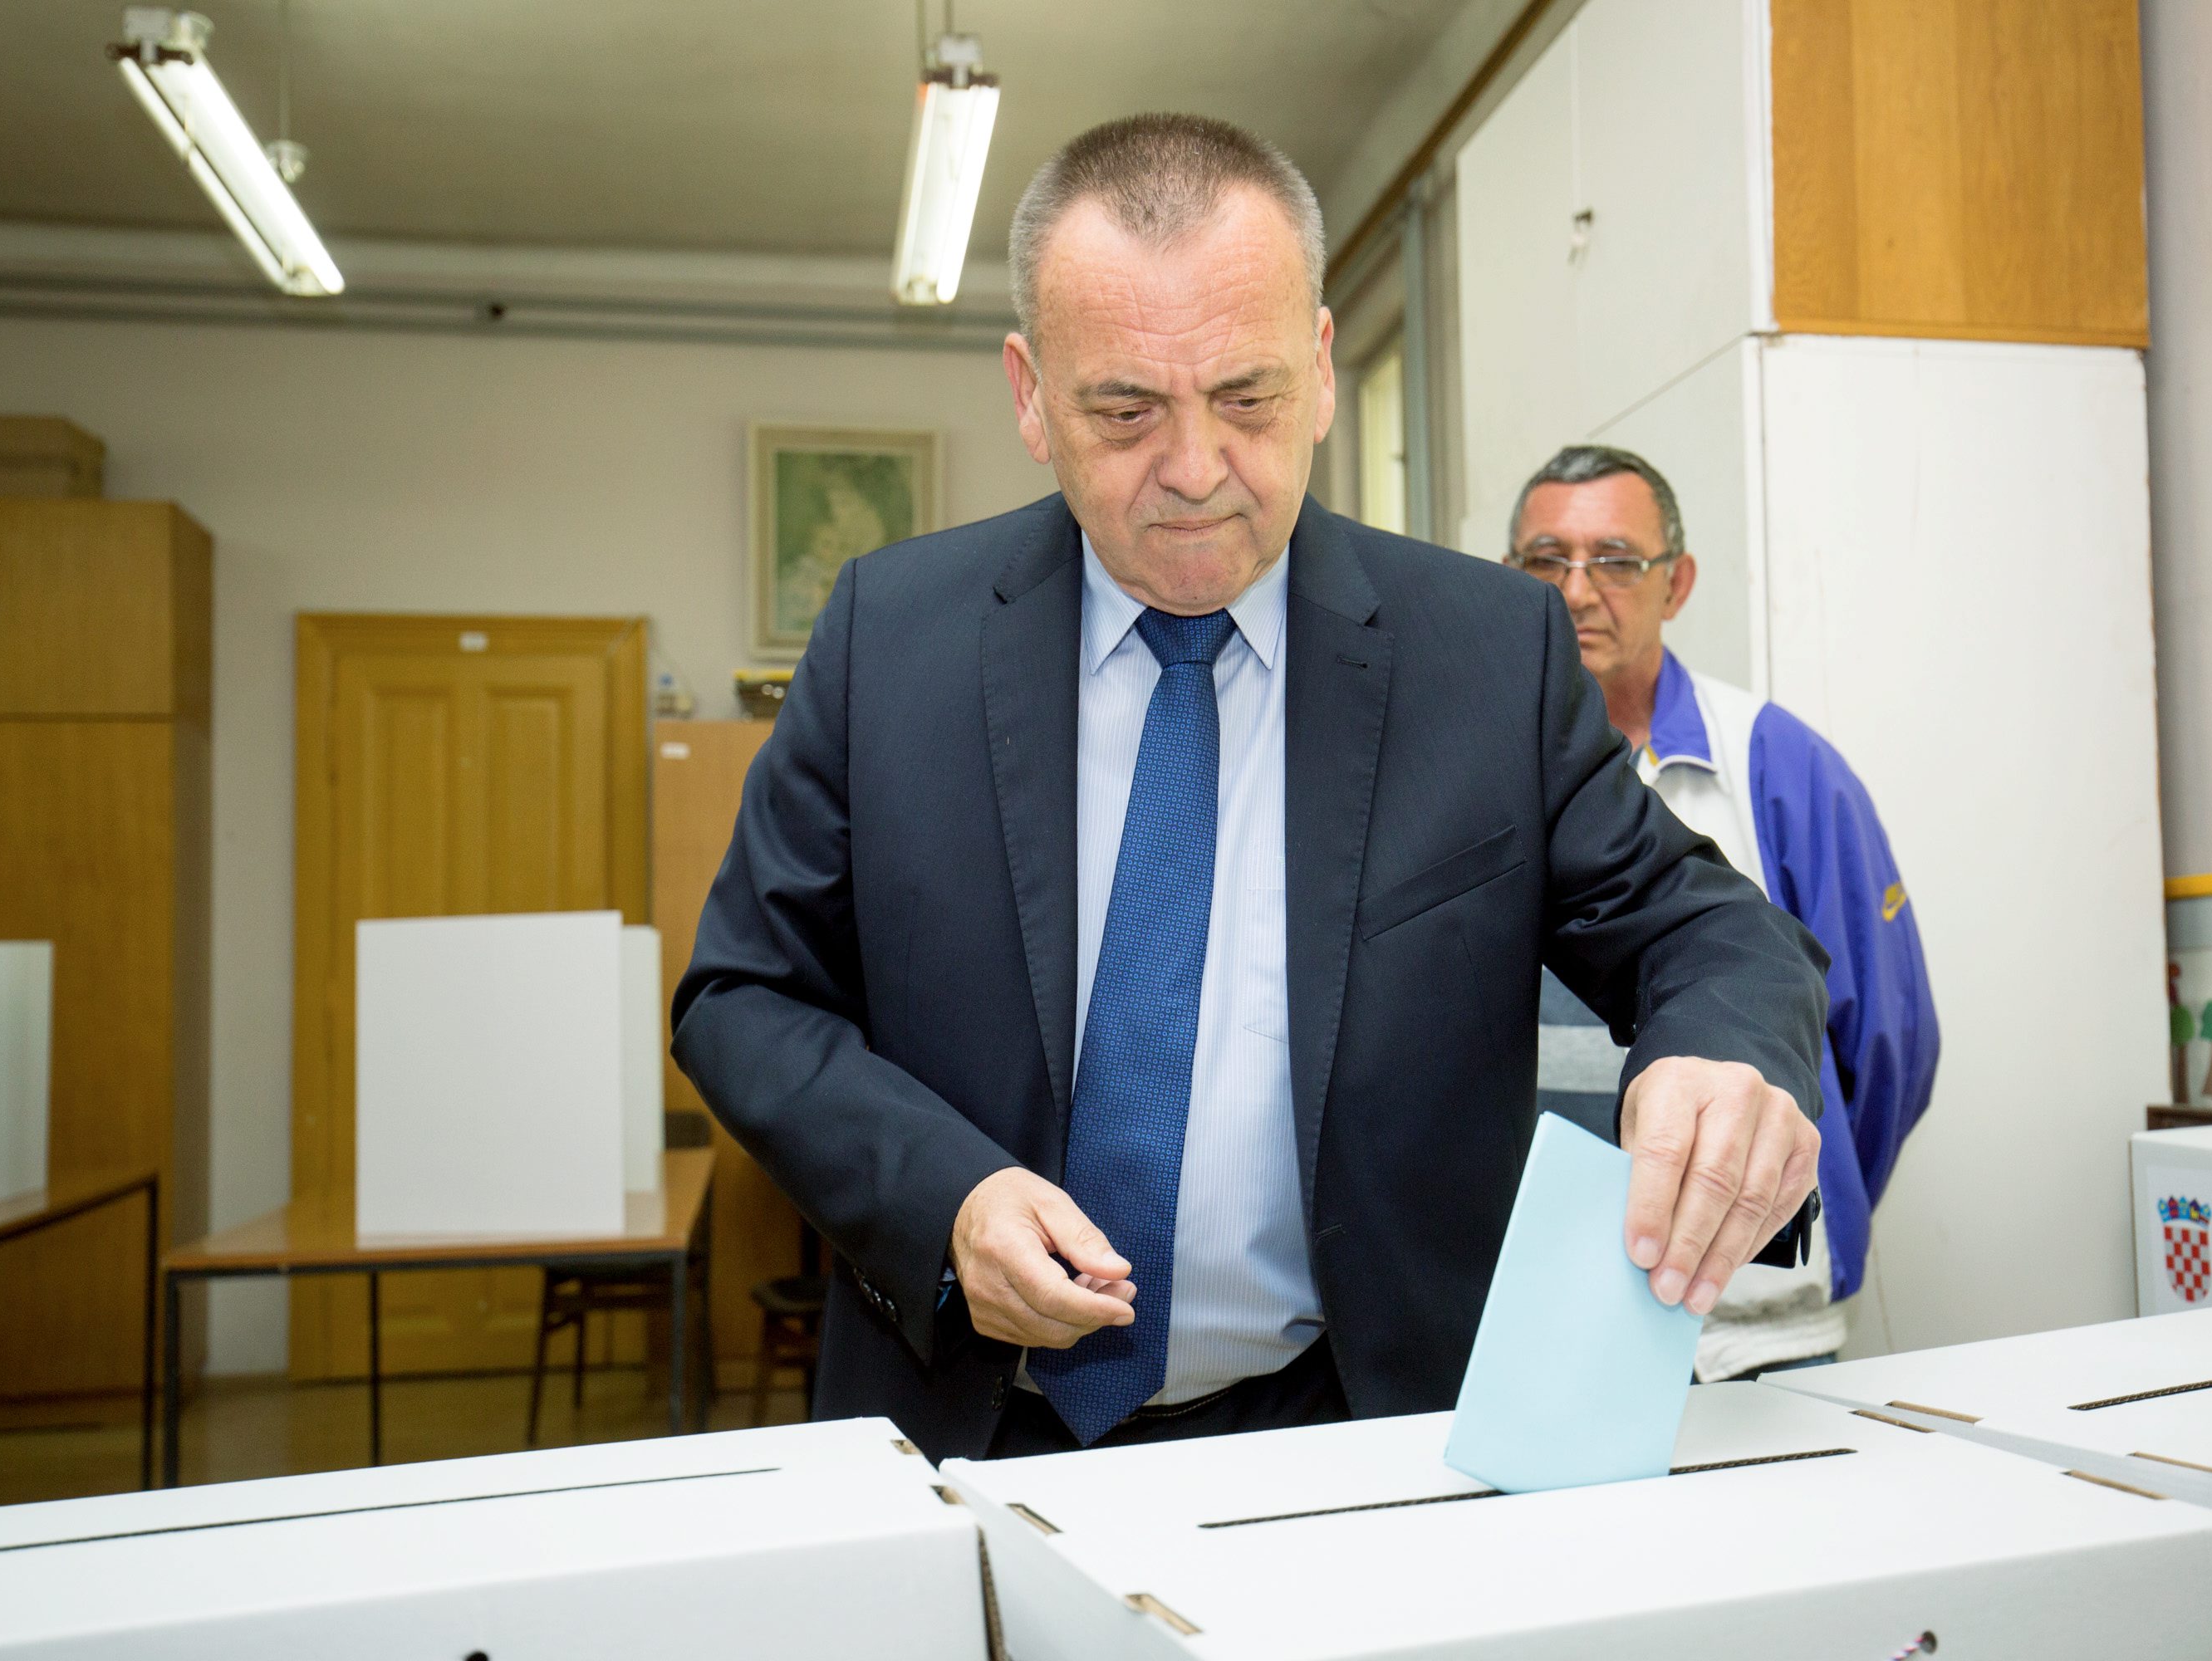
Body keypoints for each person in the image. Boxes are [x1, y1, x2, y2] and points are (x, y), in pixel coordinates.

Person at [673, 114, 1831, 1462]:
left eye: (1249, 398)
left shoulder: (1480, 658)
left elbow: (1707, 925)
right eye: (1124, 410)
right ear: (1029, 394)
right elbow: (744, 994)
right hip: (975, 1428)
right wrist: (946, 1201)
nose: (1197, 471)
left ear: (1325, 373)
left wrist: (1726, 1059)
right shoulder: (893, 640)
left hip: (1359, 1431)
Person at [1508, 444, 1940, 1380]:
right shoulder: (1473, 774)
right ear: (1510, 578)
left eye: (1617, 560)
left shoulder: (1777, 766)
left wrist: (1794, 1188)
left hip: (1753, 1332)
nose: (1578, 591)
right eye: (1547, 560)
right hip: (1543, 1321)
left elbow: (1885, 1044)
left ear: (1678, 581)